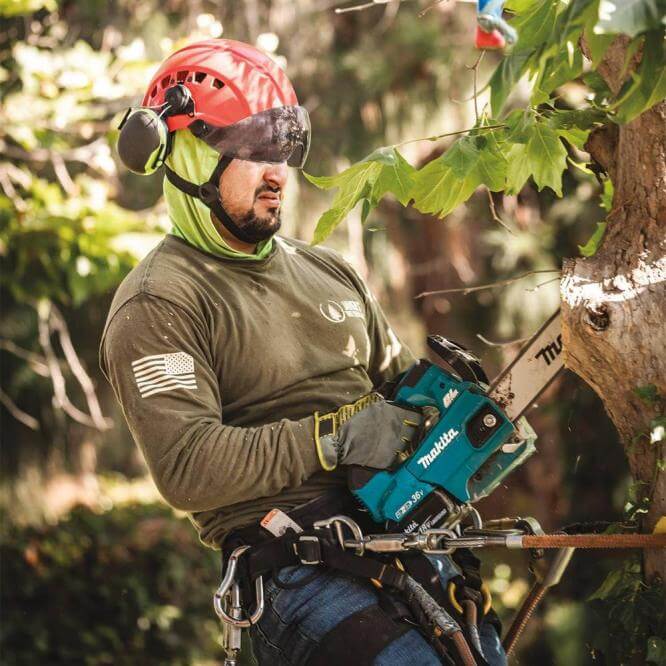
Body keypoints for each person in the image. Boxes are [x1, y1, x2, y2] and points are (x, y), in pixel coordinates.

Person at [100, 38, 506, 665]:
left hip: (409, 542)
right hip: (296, 567)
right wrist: (334, 438)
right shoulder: (160, 302)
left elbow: (397, 391)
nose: (276, 173)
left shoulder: (327, 271)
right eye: (254, 151)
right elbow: (187, 466)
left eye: (283, 151)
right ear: (181, 153)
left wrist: (449, 416)